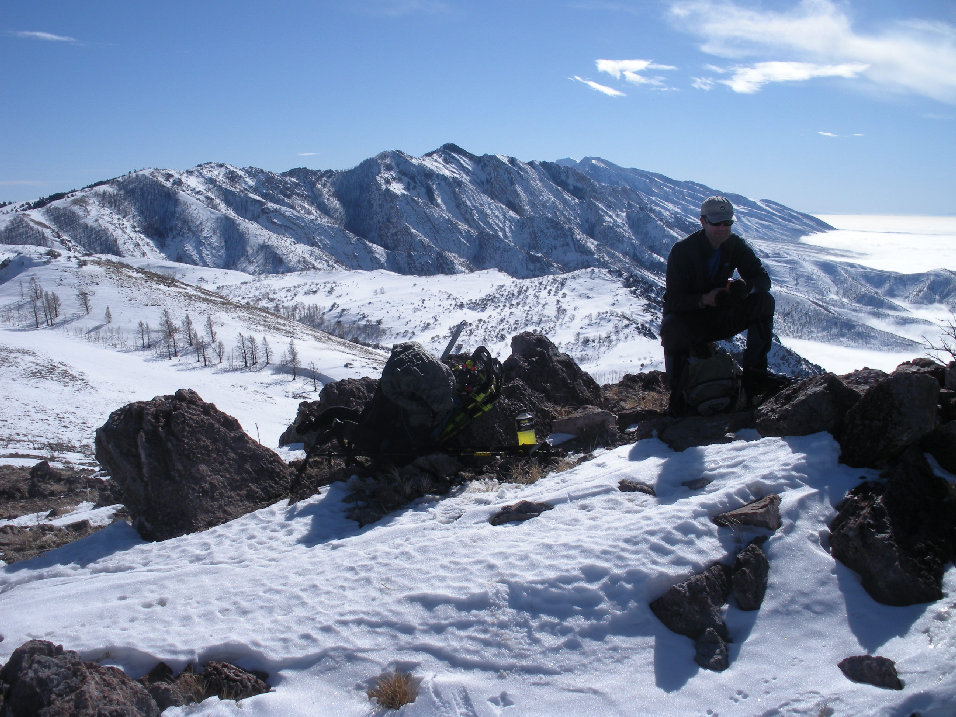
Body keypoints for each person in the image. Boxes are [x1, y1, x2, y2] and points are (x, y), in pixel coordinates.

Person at [660, 195, 788, 414]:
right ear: (703, 222)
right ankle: (679, 391)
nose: (722, 228)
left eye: (727, 223)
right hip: (690, 320)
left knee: (764, 302)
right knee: (671, 327)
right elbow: (673, 300)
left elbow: (763, 280)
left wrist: (745, 288)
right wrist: (704, 299)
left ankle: (755, 379)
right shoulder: (683, 251)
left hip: (719, 315)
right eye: (716, 223)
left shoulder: (735, 245)